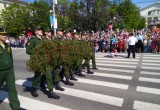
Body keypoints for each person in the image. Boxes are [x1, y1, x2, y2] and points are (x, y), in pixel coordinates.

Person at [26, 26, 60, 99]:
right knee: (37, 76)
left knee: (48, 75)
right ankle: (33, 89)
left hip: (45, 61)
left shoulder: (44, 40)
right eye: (39, 30)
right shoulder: (33, 40)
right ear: (35, 32)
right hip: (38, 61)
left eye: (41, 30)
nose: (41, 31)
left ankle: (50, 92)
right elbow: (28, 51)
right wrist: (38, 53)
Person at [0, 32, 25, 110]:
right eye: (3, 34)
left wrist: (11, 66)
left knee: (12, 89)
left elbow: (10, 57)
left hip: (9, 70)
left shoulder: (7, 45)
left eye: (5, 34)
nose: (5, 36)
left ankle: (16, 107)